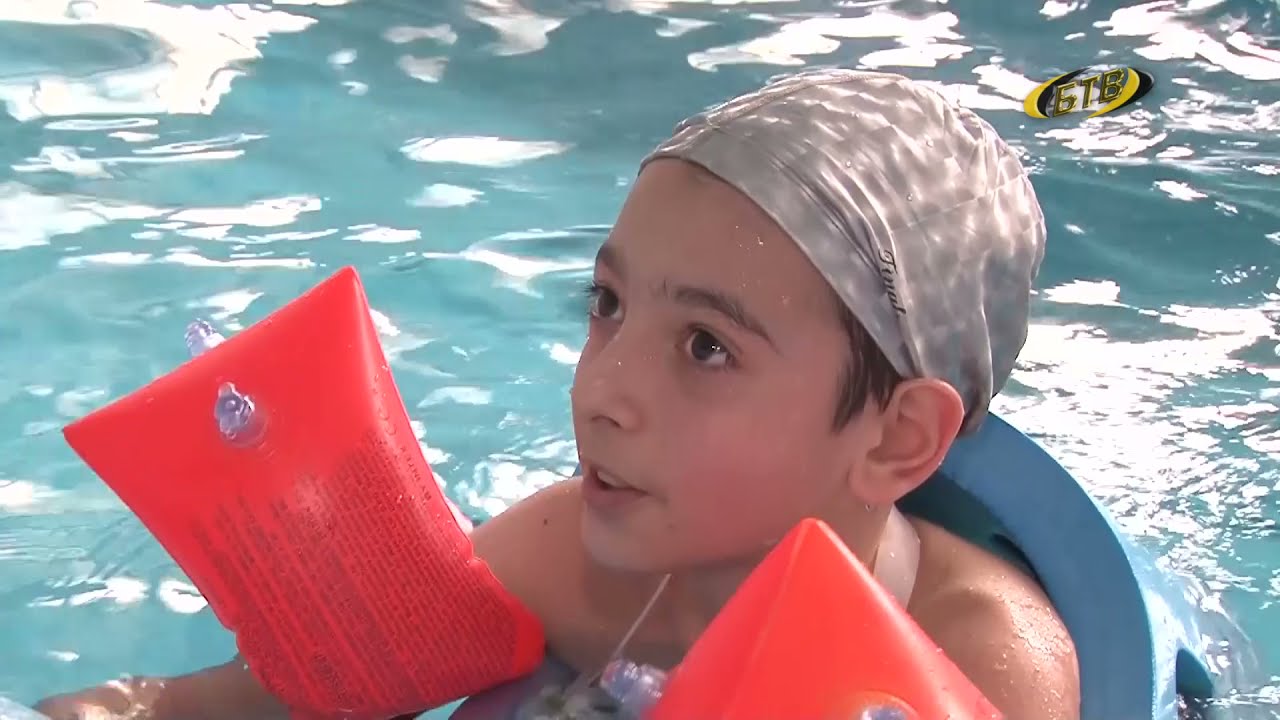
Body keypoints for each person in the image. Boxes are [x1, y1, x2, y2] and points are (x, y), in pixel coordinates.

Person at [35, 68, 1081, 720]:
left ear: (897, 441)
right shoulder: (570, 565)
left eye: (706, 347)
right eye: (607, 304)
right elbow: (233, 703)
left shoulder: (984, 665)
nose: (601, 390)